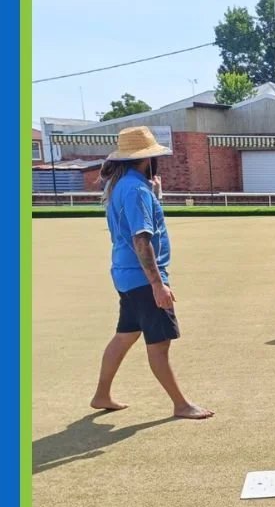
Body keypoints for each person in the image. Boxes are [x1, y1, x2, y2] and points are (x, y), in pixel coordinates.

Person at [90, 126, 214, 420]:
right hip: (142, 278)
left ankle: (101, 394)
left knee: (125, 335)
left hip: (125, 275)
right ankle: (181, 404)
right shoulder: (136, 190)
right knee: (159, 345)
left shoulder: (124, 185)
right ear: (146, 158)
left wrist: (155, 194)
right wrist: (158, 284)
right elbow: (141, 240)